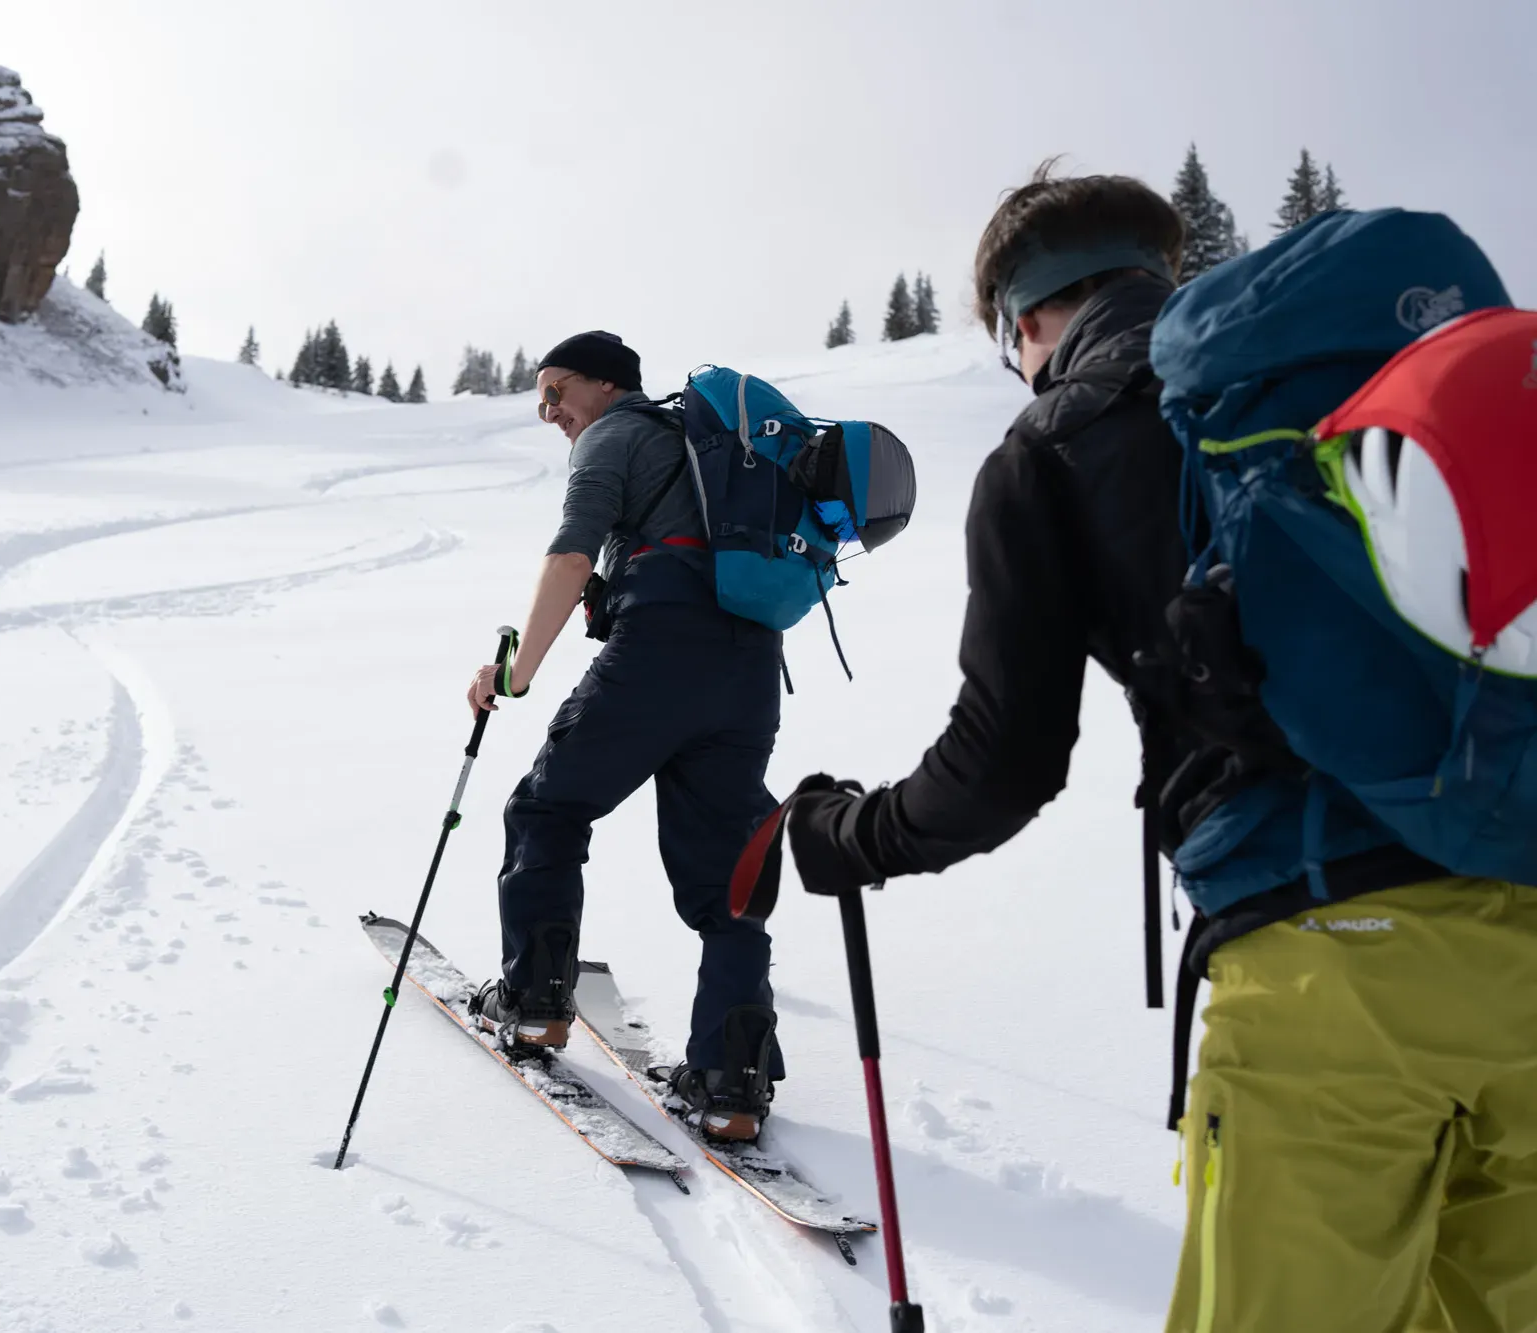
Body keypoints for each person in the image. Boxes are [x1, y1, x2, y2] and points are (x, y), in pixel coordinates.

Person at [778, 165, 1537, 1330]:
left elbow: (1004, 760)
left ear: (1023, 318)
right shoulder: (1351, 394)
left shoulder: (1055, 443)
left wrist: (850, 834)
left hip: (1324, 963)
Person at [461, 330, 785, 1141]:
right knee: (726, 881)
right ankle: (731, 1080)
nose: (549, 412)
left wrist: (513, 673)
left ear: (605, 384)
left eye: (556, 391)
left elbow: (571, 558)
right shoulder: (703, 453)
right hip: (748, 668)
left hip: (660, 653)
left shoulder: (614, 435)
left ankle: (534, 1004)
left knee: (546, 808)